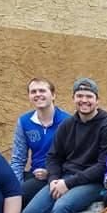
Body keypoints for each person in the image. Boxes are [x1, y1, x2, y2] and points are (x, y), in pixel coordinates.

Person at [22, 77, 107, 213]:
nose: (84, 100)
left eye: (89, 96)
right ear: (73, 99)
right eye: (79, 96)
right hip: (65, 178)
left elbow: (104, 166)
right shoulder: (67, 125)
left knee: (62, 208)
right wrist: (53, 179)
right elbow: (53, 157)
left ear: (97, 100)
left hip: (95, 182)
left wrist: (68, 184)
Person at [10, 77, 72, 206]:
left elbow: (74, 158)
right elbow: (18, 159)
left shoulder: (68, 121)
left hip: (59, 176)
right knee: (6, 193)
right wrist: (15, 186)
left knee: (20, 196)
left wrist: (51, 174)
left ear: (53, 95)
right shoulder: (24, 121)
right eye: (33, 92)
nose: (38, 94)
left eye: (42, 91)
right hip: (35, 175)